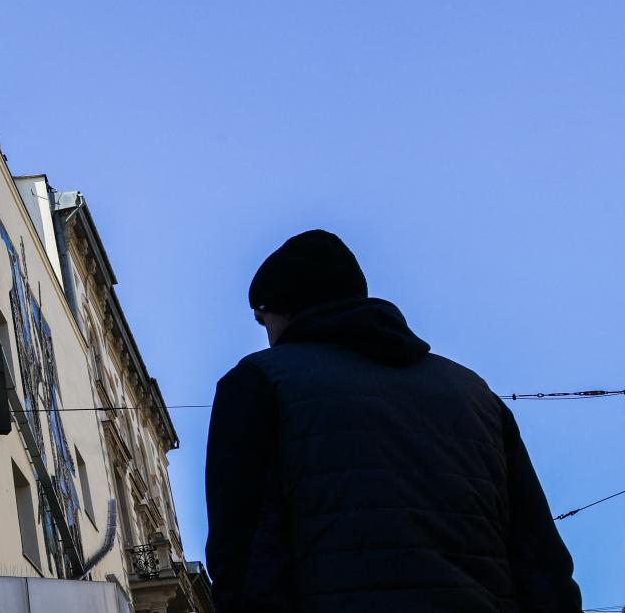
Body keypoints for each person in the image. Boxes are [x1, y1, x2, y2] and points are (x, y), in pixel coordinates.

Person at [205, 229, 582, 612]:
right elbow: (543, 565)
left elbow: (244, 559)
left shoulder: (258, 383)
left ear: (282, 308)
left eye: (261, 318)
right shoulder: (474, 394)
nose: (265, 333)